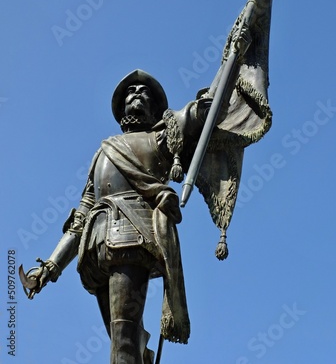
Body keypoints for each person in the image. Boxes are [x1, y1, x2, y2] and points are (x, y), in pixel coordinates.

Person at [20, 69, 212, 364]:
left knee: (123, 341)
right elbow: (82, 214)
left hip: (132, 237)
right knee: (125, 341)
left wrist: (208, 101)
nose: (136, 93)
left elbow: (192, 118)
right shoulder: (103, 150)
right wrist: (50, 267)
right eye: (130, 91)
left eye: (143, 91)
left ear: (155, 107)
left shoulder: (160, 138)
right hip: (97, 244)